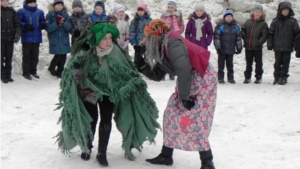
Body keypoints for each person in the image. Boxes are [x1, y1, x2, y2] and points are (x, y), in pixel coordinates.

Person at [54, 22, 160, 167]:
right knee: (92, 119)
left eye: (110, 38)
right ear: (97, 39)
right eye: (104, 38)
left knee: (106, 119)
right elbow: (70, 69)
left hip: (109, 92)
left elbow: (127, 70)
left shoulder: (116, 51)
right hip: (89, 90)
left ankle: (102, 153)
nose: (108, 41)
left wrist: (136, 82)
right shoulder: (86, 51)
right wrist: (75, 74)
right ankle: (88, 147)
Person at [137, 19, 217, 169]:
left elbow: (183, 69)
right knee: (171, 115)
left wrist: (185, 98)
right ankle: (166, 155)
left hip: (202, 78)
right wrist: (141, 65)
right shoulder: (163, 46)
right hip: (190, 79)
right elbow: (158, 75)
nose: (145, 40)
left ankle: (207, 161)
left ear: (155, 36)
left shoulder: (172, 42)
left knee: (194, 120)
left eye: (147, 37)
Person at [267, 1, 300, 85]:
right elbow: (270, 34)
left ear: (290, 11)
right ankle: (277, 77)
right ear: (280, 11)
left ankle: (284, 77)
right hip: (277, 47)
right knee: (277, 63)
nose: (285, 11)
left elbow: (297, 34)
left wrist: (296, 45)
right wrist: (270, 43)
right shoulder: (275, 22)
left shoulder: (293, 22)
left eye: (287, 10)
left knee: (285, 63)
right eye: (284, 10)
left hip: (288, 47)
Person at [17, 0, 46, 80]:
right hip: (26, 38)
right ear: (26, 3)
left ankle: (33, 71)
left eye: (34, 2)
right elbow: (18, 22)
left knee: (35, 56)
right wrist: (25, 26)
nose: (32, 4)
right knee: (26, 56)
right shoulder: (21, 11)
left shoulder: (40, 12)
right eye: (30, 3)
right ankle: (26, 72)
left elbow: (42, 21)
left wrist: (43, 25)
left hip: (36, 38)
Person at [213, 9, 242, 84]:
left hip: (231, 49)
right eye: (227, 16)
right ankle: (220, 78)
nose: (229, 18)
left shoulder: (236, 27)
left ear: (232, 18)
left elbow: (238, 38)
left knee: (230, 65)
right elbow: (216, 37)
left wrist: (239, 47)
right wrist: (218, 47)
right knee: (221, 65)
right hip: (222, 50)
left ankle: (231, 78)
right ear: (224, 17)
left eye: (230, 16)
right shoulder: (220, 26)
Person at [241, 5, 268, 84]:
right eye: (256, 12)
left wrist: (258, 42)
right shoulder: (248, 21)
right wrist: (245, 38)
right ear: (253, 12)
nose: (257, 13)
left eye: (259, 12)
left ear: (261, 13)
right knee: (248, 63)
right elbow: (243, 29)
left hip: (257, 48)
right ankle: (247, 77)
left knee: (258, 63)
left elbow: (265, 35)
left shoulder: (263, 23)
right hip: (248, 47)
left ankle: (258, 77)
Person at [45, 0, 72, 78]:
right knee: (58, 55)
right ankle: (51, 68)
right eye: (58, 5)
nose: (60, 6)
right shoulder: (49, 15)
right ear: (54, 6)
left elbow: (69, 28)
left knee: (63, 55)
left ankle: (60, 71)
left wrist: (64, 23)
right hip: (55, 38)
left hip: (64, 38)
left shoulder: (66, 15)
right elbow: (48, 28)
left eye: (61, 5)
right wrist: (57, 24)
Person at [160, 0, 184, 80]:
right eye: (169, 7)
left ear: (175, 9)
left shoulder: (178, 16)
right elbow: (160, 25)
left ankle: (172, 73)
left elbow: (181, 26)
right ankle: (163, 73)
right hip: (165, 37)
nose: (170, 9)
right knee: (164, 55)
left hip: (175, 37)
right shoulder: (163, 15)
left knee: (172, 55)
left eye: (172, 8)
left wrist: (178, 33)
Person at [1, 0, 21, 83]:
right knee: (1, 59)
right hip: (1, 40)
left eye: (6, 1)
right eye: (3, 1)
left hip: (10, 39)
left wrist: (17, 34)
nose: (5, 2)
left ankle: (8, 75)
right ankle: (2, 75)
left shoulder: (12, 11)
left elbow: (17, 24)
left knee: (9, 58)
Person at [129, 3, 152, 69]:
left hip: (147, 43)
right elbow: (132, 32)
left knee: (147, 57)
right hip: (138, 43)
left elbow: (153, 31)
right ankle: (136, 70)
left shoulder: (149, 20)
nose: (140, 12)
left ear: (145, 11)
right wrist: (134, 43)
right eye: (139, 11)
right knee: (137, 57)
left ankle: (147, 70)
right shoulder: (134, 21)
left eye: (142, 11)